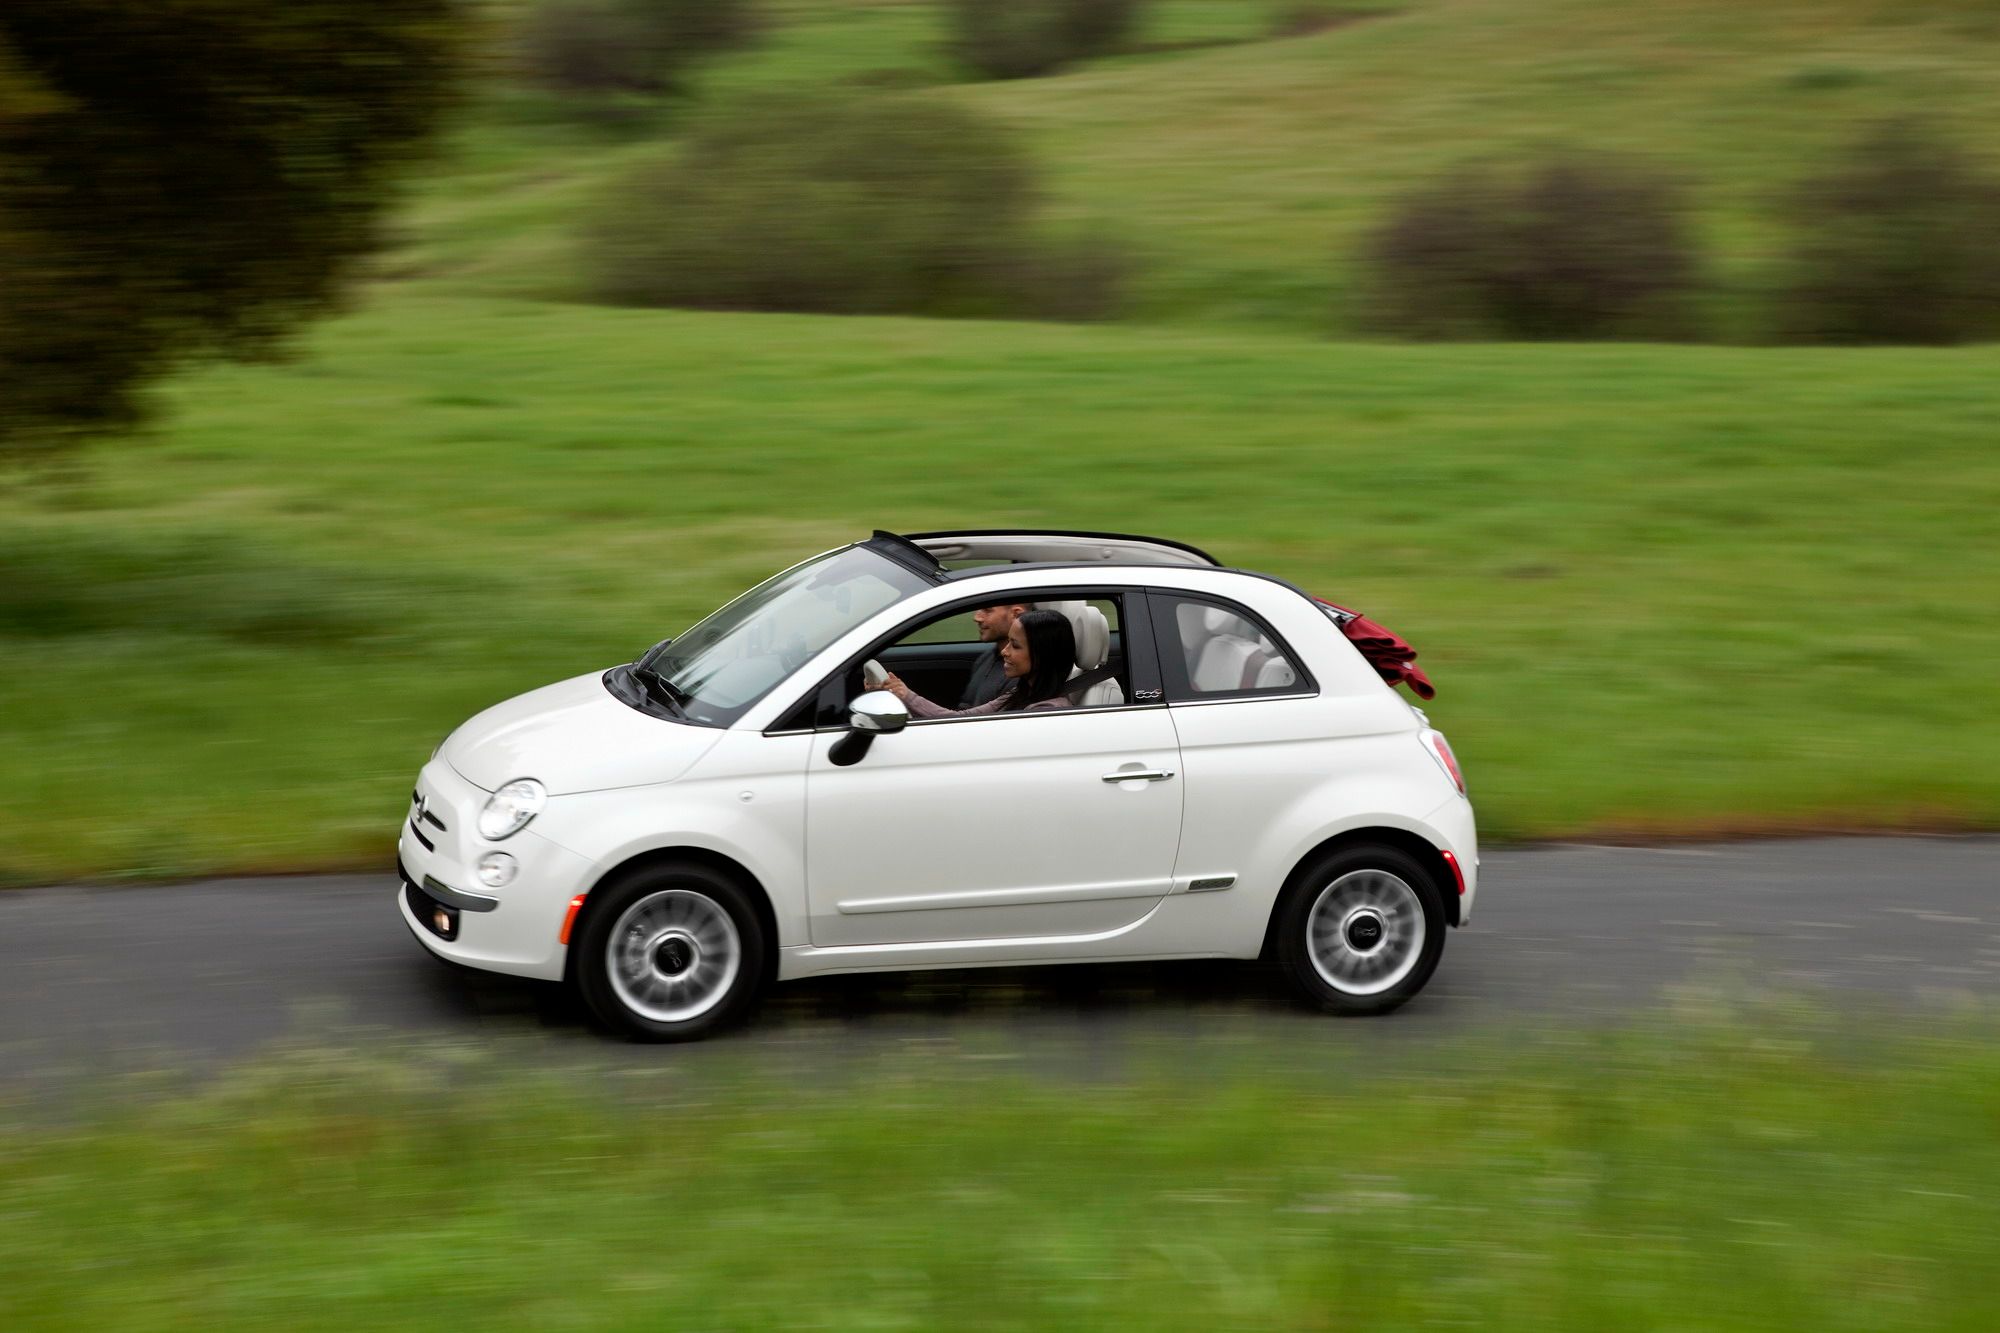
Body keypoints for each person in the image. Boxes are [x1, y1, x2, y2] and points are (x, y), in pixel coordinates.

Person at [881, 609, 1077, 718]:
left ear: (1041, 655)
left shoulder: (1046, 712)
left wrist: (907, 697)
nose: (1004, 651)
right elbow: (962, 718)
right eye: (1008, 642)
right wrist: (903, 695)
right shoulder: (1020, 694)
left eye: (1015, 646)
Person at [959, 600, 1029, 707]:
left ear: (1016, 614)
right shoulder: (988, 657)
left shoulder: (1021, 675)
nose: (977, 617)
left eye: (987, 610)